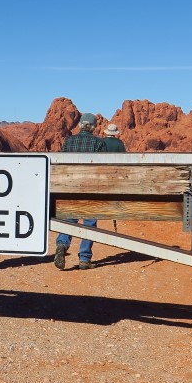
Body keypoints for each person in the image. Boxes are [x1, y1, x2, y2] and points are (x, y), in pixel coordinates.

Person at [53, 115, 125, 270]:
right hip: (91, 190)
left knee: (69, 220)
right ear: (93, 127)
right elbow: (104, 167)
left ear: (79, 125)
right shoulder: (98, 143)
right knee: (89, 223)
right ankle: (84, 259)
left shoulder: (69, 141)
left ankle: (62, 244)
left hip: (70, 189)